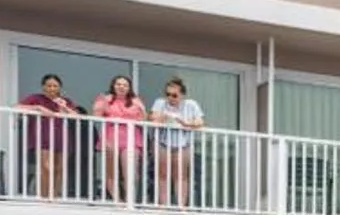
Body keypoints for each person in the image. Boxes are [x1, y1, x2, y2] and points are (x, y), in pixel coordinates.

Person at [16, 73, 83, 199]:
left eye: (55, 86)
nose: (52, 88)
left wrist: (64, 107)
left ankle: (54, 196)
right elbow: (17, 107)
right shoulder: (36, 98)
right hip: (43, 135)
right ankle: (43, 196)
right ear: (43, 87)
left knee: (59, 168)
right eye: (49, 86)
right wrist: (38, 108)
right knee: (46, 167)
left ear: (59, 88)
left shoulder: (65, 101)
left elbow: (77, 116)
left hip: (61, 136)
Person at [147, 76, 204, 207]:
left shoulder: (191, 104)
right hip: (162, 141)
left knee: (181, 175)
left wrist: (185, 123)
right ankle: (164, 204)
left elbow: (200, 122)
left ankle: (181, 205)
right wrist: (162, 117)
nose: (170, 98)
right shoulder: (160, 103)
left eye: (174, 95)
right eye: (168, 94)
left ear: (182, 94)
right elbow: (152, 119)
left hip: (183, 143)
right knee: (162, 173)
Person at [91, 74, 145, 203]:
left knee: (131, 172)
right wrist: (102, 103)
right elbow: (96, 116)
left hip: (131, 137)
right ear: (113, 86)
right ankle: (117, 199)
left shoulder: (135, 100)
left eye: (125, 85)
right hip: (111, 136)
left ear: (129, 88)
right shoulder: (105, 98)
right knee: (110, 170)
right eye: (118, 84)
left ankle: (128, 199)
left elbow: (143, 119)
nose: (122, 87)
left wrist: (141, 107)